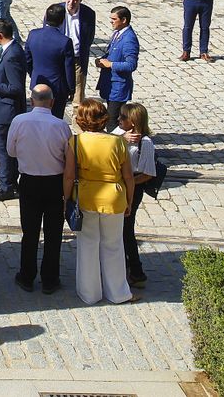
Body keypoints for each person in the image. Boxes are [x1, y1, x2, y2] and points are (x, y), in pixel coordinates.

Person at [65, 97, 137, 306]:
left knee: (88, 244)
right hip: (114, 196)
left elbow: (69, 176)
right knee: (113, 245)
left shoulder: (76, 142)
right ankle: (118, 292)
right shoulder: (118, 142)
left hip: (86, 197)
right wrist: (129, 201)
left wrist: (67, 197)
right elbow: (129, 177)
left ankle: (89, 293)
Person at [6, 84, 70, 294]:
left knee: (30, 232)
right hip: (54, 183)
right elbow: (67, 156)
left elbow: (11, 151)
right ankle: (50, 279)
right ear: (52, 102)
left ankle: (26, 276)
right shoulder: (61, 126)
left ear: (31, 100)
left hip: (29, 182)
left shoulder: (19, 121)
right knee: (53, 234)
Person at [0, 17, 30, 203]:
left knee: (4, 150)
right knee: (6, 149)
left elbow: (16, 88)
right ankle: (8, 179)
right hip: (3, 108)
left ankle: (7, 186)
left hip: (7, 111)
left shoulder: (12, 54)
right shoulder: (9, 49)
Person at [115, 101, 157, 288]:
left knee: (126, 228)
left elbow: (148, 173)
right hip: (117, 186)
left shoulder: (145, 143)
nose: (118, 119)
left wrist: (129, 183)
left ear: (133, 121)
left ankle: (136, 271)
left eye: (123, 117)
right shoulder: (117, 133)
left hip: (133, 187)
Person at [25, 4, 75, 122]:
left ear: (45, 17)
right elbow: (69, 69)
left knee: (36, 119)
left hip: (37, 83)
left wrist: (33, 73)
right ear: (63, 20)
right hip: (57, 88)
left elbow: (27, 59)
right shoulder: (65, 42)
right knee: (55, 120)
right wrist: (71, 89)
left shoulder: (33, 34)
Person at [94, 5, 140, 127]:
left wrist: (110, 64)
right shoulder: (117, 34)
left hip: (119, 87)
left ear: (124, 20)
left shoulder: (129, 39)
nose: (111, 22)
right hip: (110, 85)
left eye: (114, 19)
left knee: (113, 121)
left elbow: (131, 65)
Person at [61, 0, 96, 105]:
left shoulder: (88, 14)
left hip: (78, 60)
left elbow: (89, 37)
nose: (71, 2)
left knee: (78, 97)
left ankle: (78, 123)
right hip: (59, 59)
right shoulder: (56, 11)